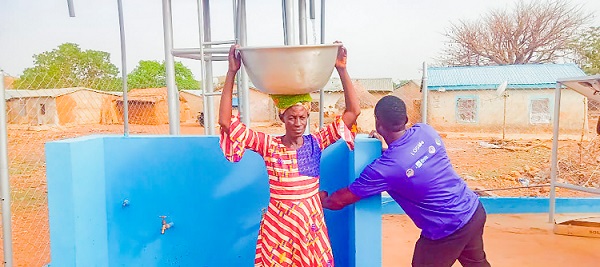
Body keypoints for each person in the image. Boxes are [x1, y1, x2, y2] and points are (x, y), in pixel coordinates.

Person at [219, 42, 360, 267]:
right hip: (279, 229)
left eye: (302, 118)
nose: (297, 123)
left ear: (307, 118)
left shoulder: (316, 142)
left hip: (310, 228)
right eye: (292, 117)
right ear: (282, 118)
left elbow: (353, 112)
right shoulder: (268, 145)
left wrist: (341, 69)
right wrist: (232, 72)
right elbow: (226, 123)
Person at [320, 95, 491, 267]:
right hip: (473, 211)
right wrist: (386, 150)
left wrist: (320, 201)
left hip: (446, 228)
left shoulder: (383, 169)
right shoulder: (425, 131)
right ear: (407, 119)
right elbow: (408, 157)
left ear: (378, 124)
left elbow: (340, 200)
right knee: (477, 263)